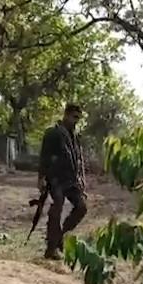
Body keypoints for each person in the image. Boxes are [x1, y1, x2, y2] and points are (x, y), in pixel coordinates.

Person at [37, 103, 88, 260]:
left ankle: (60, 236)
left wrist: (82, 179)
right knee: (57, 206)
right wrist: (41, 178)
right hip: (56, 179)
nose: (76, 121)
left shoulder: (75, 136)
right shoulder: (53, 133)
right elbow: (44, 157)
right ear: (66, 115)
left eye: (78, 118)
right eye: (74, 117)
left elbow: (79, 159)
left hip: (71, 180)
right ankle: (51, 248)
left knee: (81, 208)